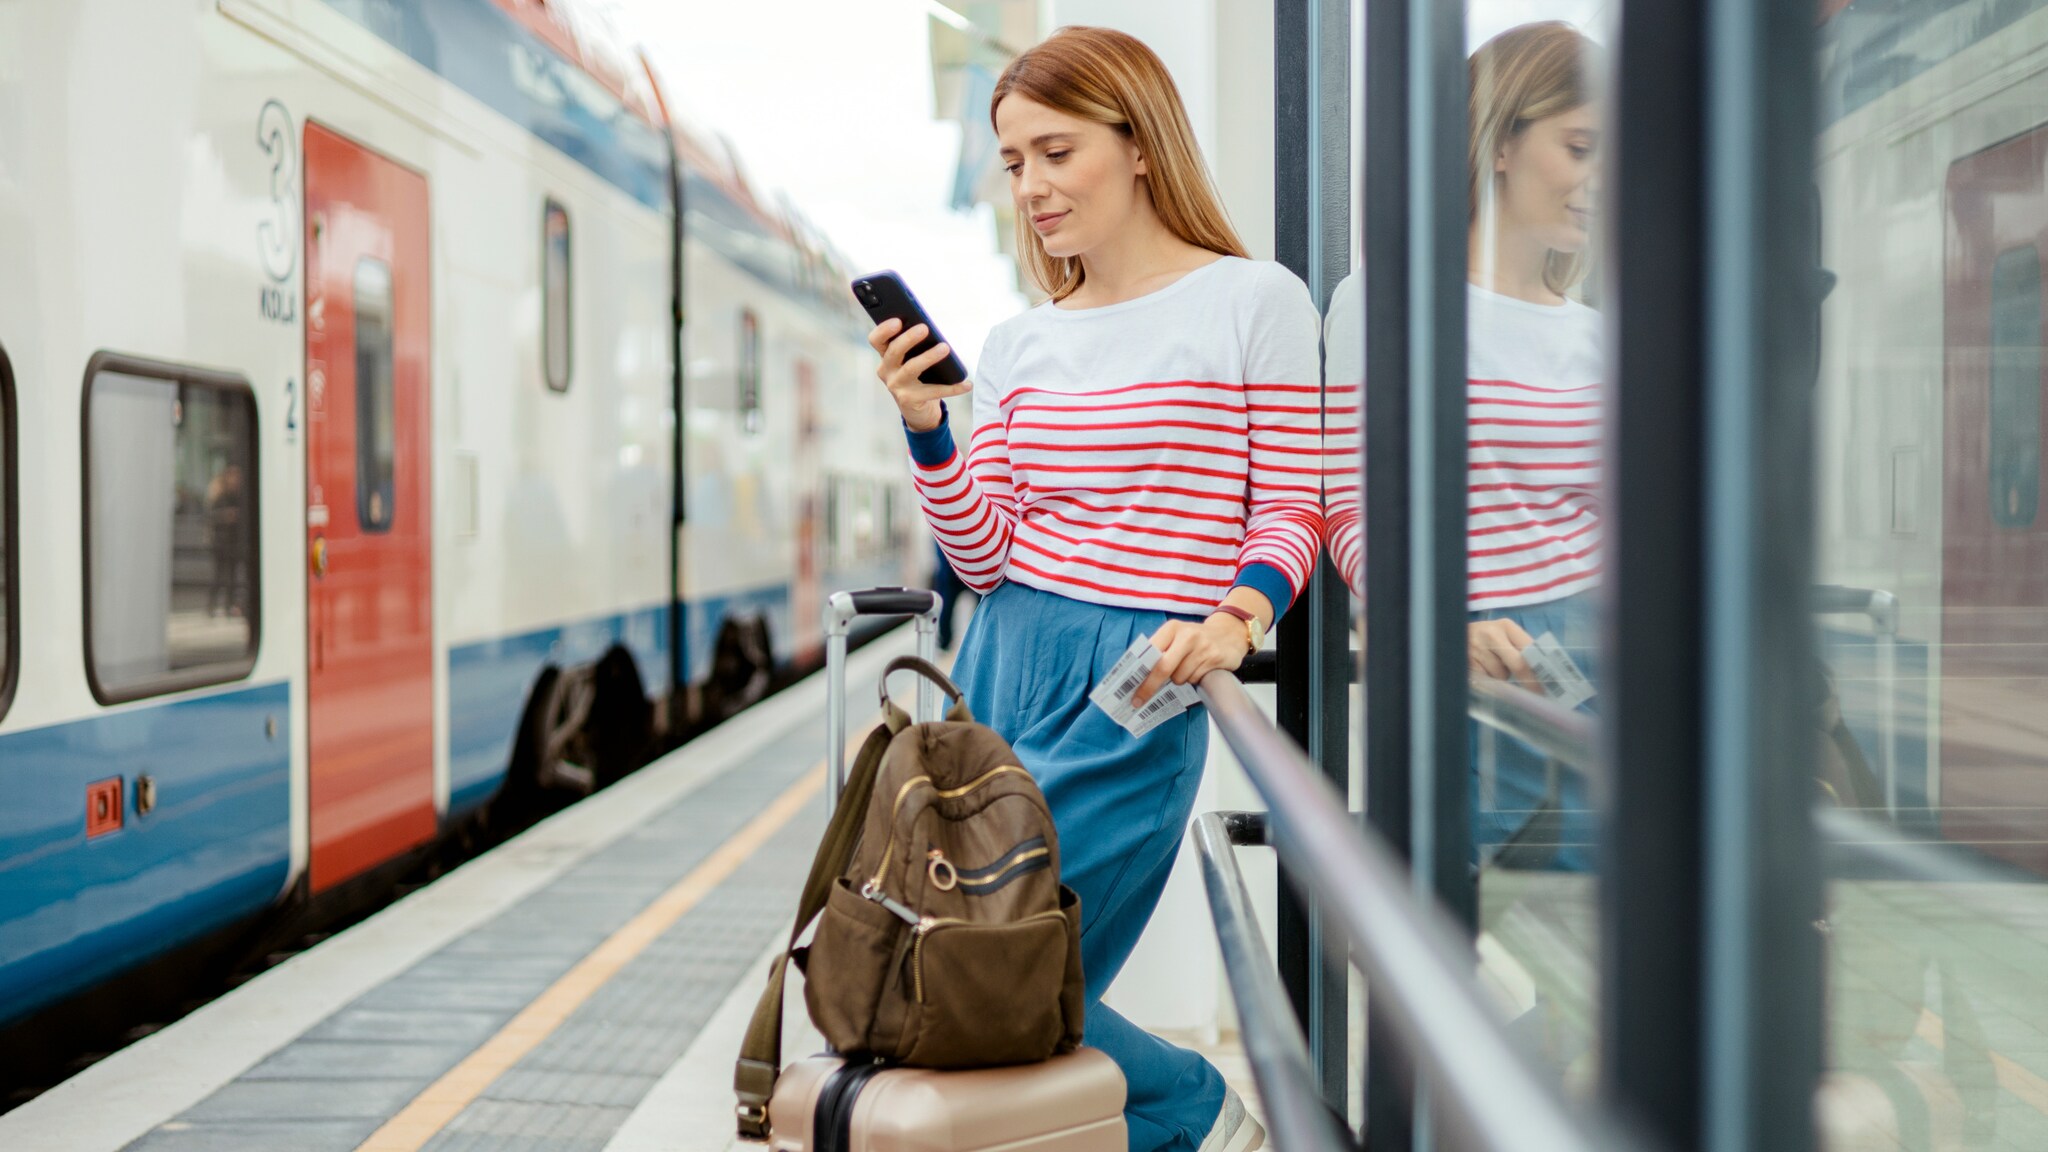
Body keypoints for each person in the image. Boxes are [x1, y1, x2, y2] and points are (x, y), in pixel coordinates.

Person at [867, 26, 1319, 1152]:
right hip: (1001, 660)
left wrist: (1238, 614)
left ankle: (1200, 1119)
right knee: (956, 958)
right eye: (1014, 163)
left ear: (1138, 143)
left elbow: (1291, 505)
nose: (1030, 187)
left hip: (1139, 681)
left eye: (1054, 152)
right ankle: (1195, 1122)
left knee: (999, 970)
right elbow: (981, 557)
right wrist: (928, 429)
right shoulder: (1020, 341)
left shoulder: (1252, 300)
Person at [1462, 22, 1605, 871]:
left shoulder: (1595, 338)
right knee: (1450, 940)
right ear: (1502, 141)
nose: (1599, 180)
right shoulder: (1390, 304)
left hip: (1600, 644)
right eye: (1581, 147)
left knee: (1599, 951)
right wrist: (1440, 620)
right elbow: (1348, 506)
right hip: (1477, 659)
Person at [929, 537, 975, 651]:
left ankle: (945, 642)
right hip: (965, 567)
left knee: (946, 605)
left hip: (949, 571)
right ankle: (973, 640)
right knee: (980, 605)